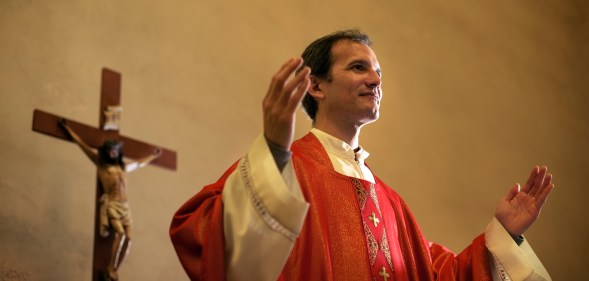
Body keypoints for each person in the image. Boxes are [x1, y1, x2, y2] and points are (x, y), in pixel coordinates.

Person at [170, 30, 554, 280]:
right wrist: (273, 148)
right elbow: (204, 236)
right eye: (358, 67)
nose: (375, 80)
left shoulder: (390, 202)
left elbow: (440, 274)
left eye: (378, 73)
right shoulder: (285, 172)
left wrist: (504, 235)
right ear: (316, 86)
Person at [59, 120, 161, 281]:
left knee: (129, 239)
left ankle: (114, 269)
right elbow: (83, 146)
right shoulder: (102, 166)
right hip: (113, 204)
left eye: (115, 150)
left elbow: (140, 163)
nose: (113, 152)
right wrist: (69, 130)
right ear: (107, 151)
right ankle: (109, 268)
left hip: (125, 207)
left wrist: (153, 156)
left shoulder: (123, 168)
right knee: (119, 235)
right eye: (111, 150)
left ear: (118, 151)